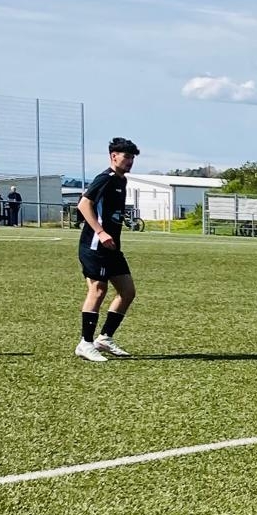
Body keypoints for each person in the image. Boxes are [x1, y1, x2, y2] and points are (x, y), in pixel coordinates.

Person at [74, 137, 141, 361]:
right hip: (95, 245)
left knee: (127, 292)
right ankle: (85, 343)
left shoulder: (122, 180)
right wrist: (101, 232)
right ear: (113, 156)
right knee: (98, 290)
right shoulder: (105, 178)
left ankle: (104, 338)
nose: (130, 161)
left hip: (112, 248)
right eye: (126, 156)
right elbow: (84, 204)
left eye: (132, 157)